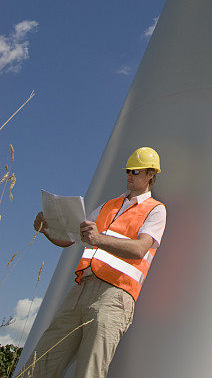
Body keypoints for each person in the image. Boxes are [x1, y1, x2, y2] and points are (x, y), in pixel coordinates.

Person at [20, 147, 166, 378]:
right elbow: (71, 238)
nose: (129, 175)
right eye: (128, 170)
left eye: (136, 172)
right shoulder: (108, 206)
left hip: (114, 297)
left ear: (151, 175)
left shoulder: (155, 210)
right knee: (41, 363)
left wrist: (98, 238)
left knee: (90, 371)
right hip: (80, 290)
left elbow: (140, 249)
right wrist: (46, 230)